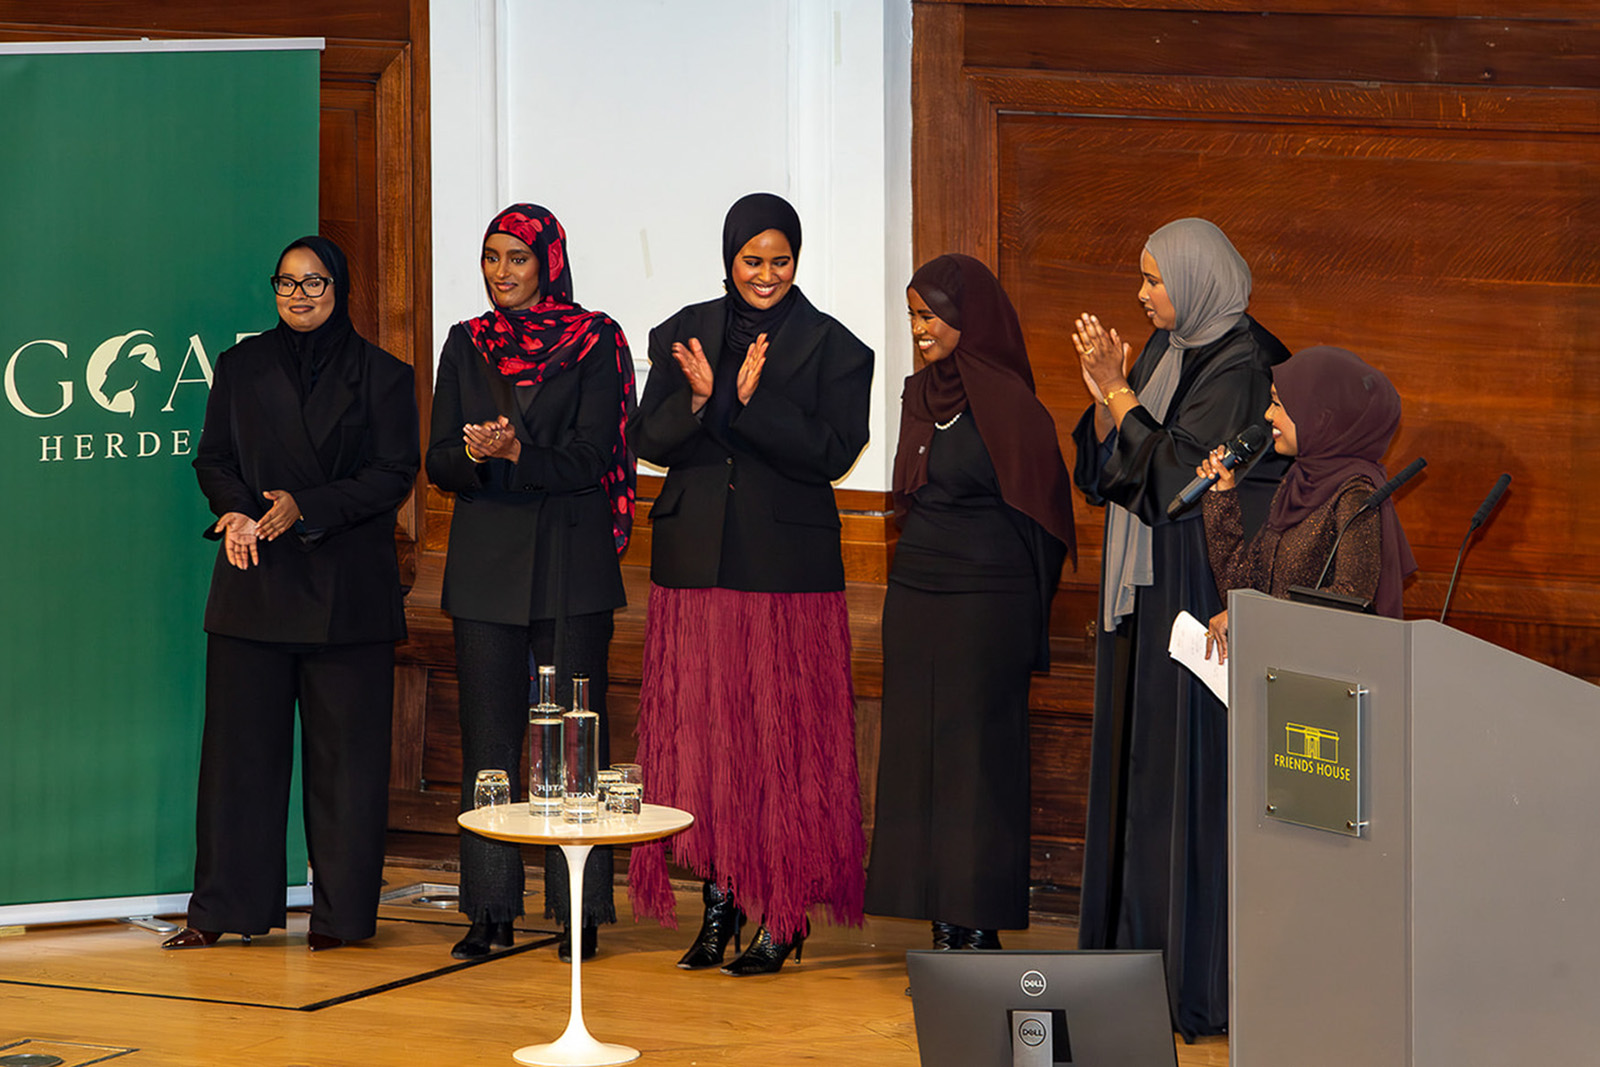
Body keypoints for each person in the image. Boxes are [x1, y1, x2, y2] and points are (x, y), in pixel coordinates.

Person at [626, 192, 873, 976]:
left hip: (785, 578)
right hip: (696, 568)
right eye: (751, 260)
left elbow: (833, 453)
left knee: (779, 752)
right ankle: (720, 902)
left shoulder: (838, 348)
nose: (765, 275)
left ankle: (785, 909)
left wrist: (751, 403)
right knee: (704, 746)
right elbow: (646, 438)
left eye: (780, 260)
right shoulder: (680, 333)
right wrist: (701, 399)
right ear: (729, 259)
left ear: (797, 261)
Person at [167, 235, 420, 951]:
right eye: (286, 283)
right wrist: (240, 511)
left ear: (340, 288)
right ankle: (221, 911)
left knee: (349, 767)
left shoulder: (383, 374)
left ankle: (343, 921)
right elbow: (213, 457)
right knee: (237, 762)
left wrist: (303, 506)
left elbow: (392, 473)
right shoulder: (241, 366)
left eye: (313, 283)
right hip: (254, 584)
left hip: (348, 594)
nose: (299, 295)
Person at [1070, 218, 1290, 1039]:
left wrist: (1119, 395)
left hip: (1197, 588)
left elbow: (1176, 482)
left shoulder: (1243, 363)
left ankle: (1186, 983)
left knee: (1186, 775)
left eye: (1154, 279)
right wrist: (1105, 400)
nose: (1142, 293)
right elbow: (1109, 475)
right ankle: (1124, 968)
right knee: (1135, 775)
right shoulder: (1171, 345)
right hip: (1141, 590)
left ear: (1196, 282)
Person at [426, 204, 636, 962]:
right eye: (491, 256)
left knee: (574, 743)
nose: (502, 271)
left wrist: (520, 451)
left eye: (517, 257)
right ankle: (488, 910)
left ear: (548, 261)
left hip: (570, 562)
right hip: (485, 564)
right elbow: (438, 460)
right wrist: (478, 455)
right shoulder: (465, 343)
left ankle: (577, 914)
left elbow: (596, 456)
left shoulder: (597, 340)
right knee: (488, 741)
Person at [863, 254, 1076, 951]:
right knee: (919, 758)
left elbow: (1044, 525)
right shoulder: (917, 393)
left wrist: (1022, 618)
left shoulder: (1014, 405)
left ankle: (976, 919)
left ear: (969, 316)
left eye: (931, 315)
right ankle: (938, 914)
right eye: (914, 316)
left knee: (976, 763)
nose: (920, 329)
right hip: (918, 593)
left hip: (987, 602)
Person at [1199, 345, 1416, 662]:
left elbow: (1350, 598)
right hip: (1277, 669)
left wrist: (1257, 613)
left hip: (1329, 684)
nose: (1268, 415)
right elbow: (1241, 589)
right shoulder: (1298, 480)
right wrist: (1222, 499)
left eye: (1277, 404)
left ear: (1320, 417)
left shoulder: (1357, 494)